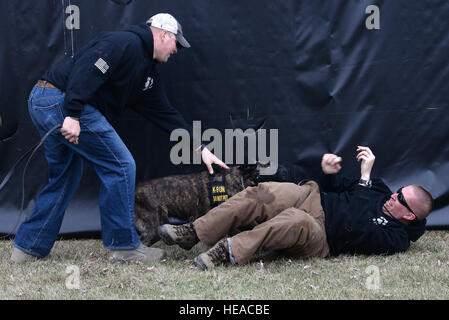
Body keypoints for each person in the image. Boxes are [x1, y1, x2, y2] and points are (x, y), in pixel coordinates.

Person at [10, 13, 228, 264]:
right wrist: (72, 113)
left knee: (65, 177)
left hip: (44, 99)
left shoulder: (146, 72)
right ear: (163, 34)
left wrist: (200, 147)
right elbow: (87, 68)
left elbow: (166, 114)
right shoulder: (125, 43)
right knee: (121, 166)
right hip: (60, 101)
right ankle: (124, 246)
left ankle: (28, 248)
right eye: (176, 42)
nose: (177, 49)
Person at [157, 146, 434, 270]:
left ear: (409, 215)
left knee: (294, 221)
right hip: (311, 196)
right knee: (260, 194)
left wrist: (364, 179)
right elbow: (339, 187)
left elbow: (356, 225)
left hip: (322, 235)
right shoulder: (380, 189)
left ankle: (226, 251)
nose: (393, 196)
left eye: (400, 200)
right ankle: (193, 232)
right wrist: (330, 173)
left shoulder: (397, 239)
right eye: (398, 192)